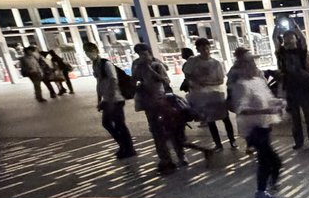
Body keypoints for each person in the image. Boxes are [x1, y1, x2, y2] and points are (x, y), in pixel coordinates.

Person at [232, 55, 287, 198]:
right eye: (248, 64)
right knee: (268, 160)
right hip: (253, 129)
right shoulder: (241, 85)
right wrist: (266, 111)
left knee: (271, 161)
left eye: (252, 64)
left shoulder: (258, 81)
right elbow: (242, 109)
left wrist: (279, 103)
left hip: (264, 126)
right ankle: (263, 192)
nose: (252, 67)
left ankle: (266, 189)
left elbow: (268, 99)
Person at [132, 43, 186, 174]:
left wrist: (150, 70)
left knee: (171, 129)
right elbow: (133, 80)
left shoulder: (157, 65)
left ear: (149, 53)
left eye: (144, 54)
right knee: (156, 132)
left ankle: (181, 155)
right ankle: (165, 159)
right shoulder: (137, 65)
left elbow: (166, 81)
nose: (142, 57)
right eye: (139, 54)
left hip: (162, 101)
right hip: (148, 103)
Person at [182, 38, 236, 150]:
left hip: (216, 93)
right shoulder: (193, 61)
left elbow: (221, 80)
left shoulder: (216, 63)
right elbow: (187, 74)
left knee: (225, 117)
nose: (205, 51)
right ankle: (218, 144)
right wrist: (195, 82)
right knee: (210, 120)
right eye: (202, 49)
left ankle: (232, 141)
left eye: (207, 48)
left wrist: (207, 83)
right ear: (198, 49)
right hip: (201, 96)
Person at [84, 42, 135, 159]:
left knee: (119, 124)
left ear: (96, 51)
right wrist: (99, 99)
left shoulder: (106, 64)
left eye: (90, 51)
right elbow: (99, 83)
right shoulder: (95, 65)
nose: (88, 54)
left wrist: (111, 98)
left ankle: (129, 149)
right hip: (108, 99)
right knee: (107, 123)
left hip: (116, 99)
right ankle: (123, 146)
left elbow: (113, 79)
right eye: (86, 52)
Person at [276, 30, 309, 149]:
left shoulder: (301, 52)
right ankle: (299, 141)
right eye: (287, 38)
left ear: (296, 39)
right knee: (295, 118)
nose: (289, 40)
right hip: (291, 88)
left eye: (291, 37)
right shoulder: (282, 53)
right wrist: (278, 30)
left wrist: (296, 28)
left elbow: (304, 40)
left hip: (304, 87)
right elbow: (275, 40)